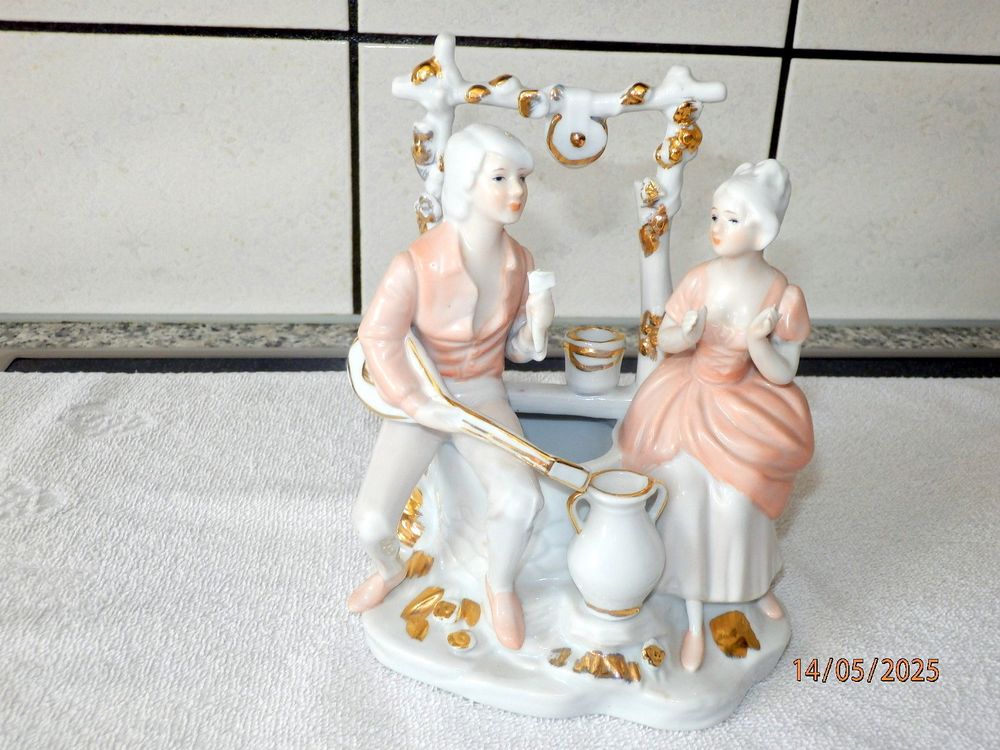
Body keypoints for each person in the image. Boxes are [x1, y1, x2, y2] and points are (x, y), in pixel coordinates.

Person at [347, 124, 552, 651]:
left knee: (520, 497)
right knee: (371, 522)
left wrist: (536, 331)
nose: (517, 190)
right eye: (500, 178)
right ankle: (390, 571)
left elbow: (514, 350)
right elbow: (377, 337)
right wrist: (418, 404)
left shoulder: (522, 262)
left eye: (522, 178)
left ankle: (499, 585)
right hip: (423, 394)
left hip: (483, 393)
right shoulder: (415, 264)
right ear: (465, 182)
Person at [618, 159, 814, 671]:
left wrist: (758, 343)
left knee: (740, 499)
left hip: (744, 400)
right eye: (713, 216)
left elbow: (782, 373)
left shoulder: (782, 294)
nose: (717, 228)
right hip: (687, 396)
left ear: (762, 229)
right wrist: (682, 335)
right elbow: (665, 338)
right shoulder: (700, 279)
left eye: (731, 219)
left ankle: (752, 586)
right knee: (685, 490)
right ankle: (691, 610)